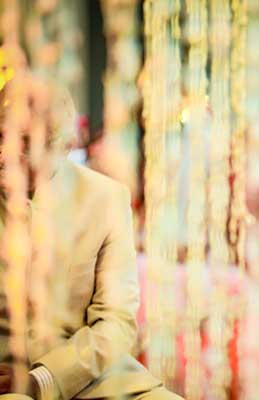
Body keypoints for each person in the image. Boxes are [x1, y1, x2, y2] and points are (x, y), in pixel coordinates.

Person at [0, 53, 180, 399]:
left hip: (95, 380)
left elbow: (117, 323)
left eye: (25, 142)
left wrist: (44, 380)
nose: (6, 153)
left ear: (65, 147)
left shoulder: (106, 199)